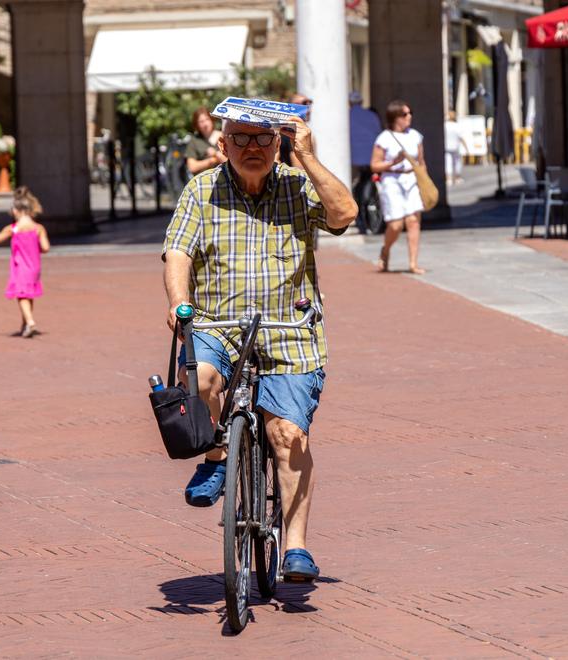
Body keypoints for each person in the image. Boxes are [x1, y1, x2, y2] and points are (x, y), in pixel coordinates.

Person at [162, 115, 358, 581]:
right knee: (202, 379)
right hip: (219, 324)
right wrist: (179, 302)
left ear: (278, 143)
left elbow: (344, 215)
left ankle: (295, 546)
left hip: (287, 328)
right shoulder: (202, 190)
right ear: (224, 143)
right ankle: (216, 457)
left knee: (287, 435)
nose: (252, 147)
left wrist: (307, 156)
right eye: (241, 138)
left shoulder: (297, 183)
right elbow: (178, 252)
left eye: (263, 139)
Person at [0, 186, 50, 337]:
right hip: (35, 267)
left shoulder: (13, 229)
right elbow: (46, 247)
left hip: (21, 267)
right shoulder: (38, 228)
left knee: (21, 295)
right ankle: (25, 324)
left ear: (16, 210)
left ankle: (30, 321)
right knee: (29, 295)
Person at [371, 99, 426, 274]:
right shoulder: (384, 138)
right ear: (395, 117)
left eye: (410, 113)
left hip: (411, 179)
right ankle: (385, 250)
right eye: (405, 114)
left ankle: (413, 263)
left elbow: (421, 162)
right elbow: (374, 165)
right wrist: (393, 163)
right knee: (395, 225)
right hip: (392, 180)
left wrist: (424, 180)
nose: (409, 116)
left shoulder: (415, 136)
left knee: (413, 221)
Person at [349, 92, 383, 233]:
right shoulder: (371, 115)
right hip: (370, 158)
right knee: (369, 182)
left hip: (353, 159)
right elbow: (378, 133)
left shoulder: (346, 115)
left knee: (352, 186)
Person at [184, 107, 226, 177]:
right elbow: (192, 167)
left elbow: (230, 162)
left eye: (207, 119)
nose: (205, 124)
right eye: (201, 121)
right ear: (197, 124)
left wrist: (215, 153)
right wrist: (211, 161)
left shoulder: (223, 136)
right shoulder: (194, 141)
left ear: (211, 120)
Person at [279, 93, 312, 168]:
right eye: (304, 103)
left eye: (309, 103)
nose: (308, 108)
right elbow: (300, 169)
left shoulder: (304, 132)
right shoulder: (290, 133)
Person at [444, 110, 468, 185]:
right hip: (455, 147)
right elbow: (461, 138)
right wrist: (466, 148)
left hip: (447, 147)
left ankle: (449, 179)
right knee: (457, 163)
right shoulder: (457, 126)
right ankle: (457, 178)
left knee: (448, 163)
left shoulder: (445, 125)